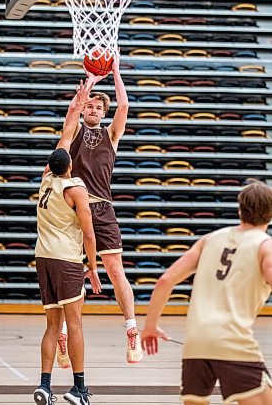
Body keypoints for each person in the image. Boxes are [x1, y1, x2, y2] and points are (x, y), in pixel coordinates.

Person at [46, 52, 143, 365]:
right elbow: (71, 116)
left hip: (103, 209)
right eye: (90, 105)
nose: (93, 109)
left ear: (104, 112)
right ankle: (61, 333)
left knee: (116, 271)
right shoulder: (72, 132)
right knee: (71, 278)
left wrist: (114, 71)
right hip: (73, 210)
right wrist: (86, 87)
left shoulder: (111, 135)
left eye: (99, 107)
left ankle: (131, 329)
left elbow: (124, 106)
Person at [141, 181, 272, 405]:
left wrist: (150, 326)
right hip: (233, 341)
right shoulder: (265, 246)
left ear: (240, 210)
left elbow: (165, 280)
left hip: (195, 343)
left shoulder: (210, 239)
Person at [34, 82, 102, 405]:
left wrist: (76, 104)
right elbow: (89, 234)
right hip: (66, 260)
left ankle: (44, 386)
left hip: (42, 257)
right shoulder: (76, 188)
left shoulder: (46, 179)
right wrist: (93, 267)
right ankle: (79, 388)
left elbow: (65, 135)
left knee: (52, 325)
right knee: (74, 323)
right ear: (70, 164)